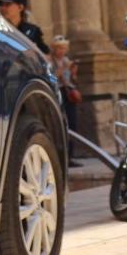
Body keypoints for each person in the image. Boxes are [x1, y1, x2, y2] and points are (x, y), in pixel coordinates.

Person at [51, 35, 83, 167]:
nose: (61, 51)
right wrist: (64, 68)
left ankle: (70, 156)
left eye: (64, 48)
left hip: (68, 93)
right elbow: (52, 77)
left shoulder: (66, 60)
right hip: (58, 93)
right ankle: (60, 157)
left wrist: (74, 72)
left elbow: (72, 80)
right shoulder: (50, 61)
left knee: (72, 124)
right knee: (60, 125)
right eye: (59, 48)